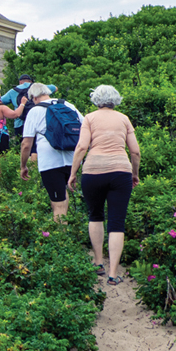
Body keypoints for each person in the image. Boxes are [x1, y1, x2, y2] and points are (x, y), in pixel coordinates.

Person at [67, 84, 140, 285]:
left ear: (96, 99)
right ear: (116, 99)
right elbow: (135, 151)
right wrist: (135, 173)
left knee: (95, 214)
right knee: (117, 221)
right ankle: (113, 273)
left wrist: (73, 173)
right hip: (120, 172)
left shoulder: (89, 118)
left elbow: (82, 146)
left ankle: (98, 262)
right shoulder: (124, 119)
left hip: (93, 171)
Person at [20, 83, 84, 221]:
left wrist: (23, 166)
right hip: (72, 159)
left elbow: (26, 144)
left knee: (57, 204)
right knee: (63, 195)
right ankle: (66, 230)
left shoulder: (35, 111)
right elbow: (85, 128)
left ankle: (60, 239)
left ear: (33, 97)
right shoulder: (68, 105)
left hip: (50, 163)